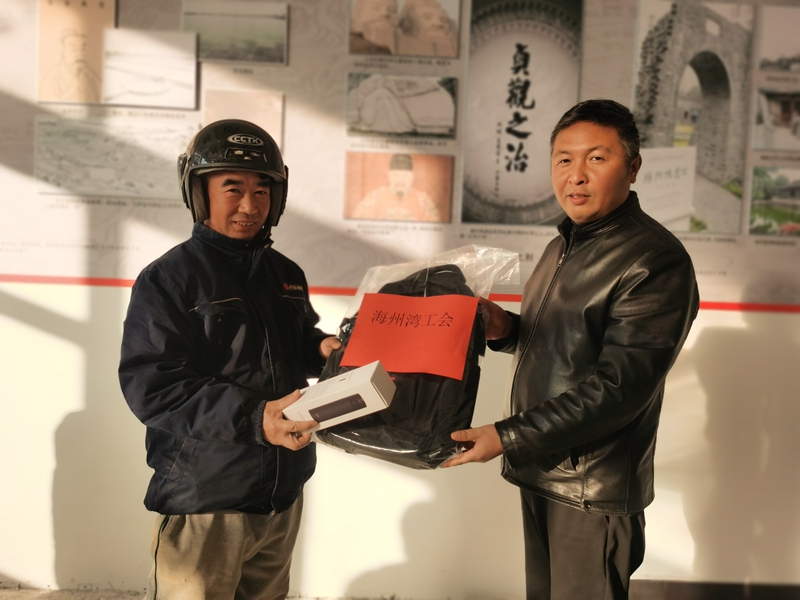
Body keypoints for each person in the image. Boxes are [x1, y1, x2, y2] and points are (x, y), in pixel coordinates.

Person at [442, 99, 699, 600]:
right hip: (544, 468)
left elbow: (619, 389)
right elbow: (564, 345)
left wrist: (507, 435)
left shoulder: (655, 260)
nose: (575, 175)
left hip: (590, 489)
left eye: (596, 158)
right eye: (564, 159)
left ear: (633, 167)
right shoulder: (563, 244)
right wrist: (505, 328)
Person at [119, 119, 341, 600]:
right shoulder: (169, 279)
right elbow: (153, 388)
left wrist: (322, 349)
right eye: (233, 188)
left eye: (262, 190)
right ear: (199, 193)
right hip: (207, 498)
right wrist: (257, 418)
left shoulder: (285, 274)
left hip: (282, 493)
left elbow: (293, 343)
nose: (249, 205)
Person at [351, 153, 443, 222]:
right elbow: (358, 222)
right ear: (389, 176)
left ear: (412, 177)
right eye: (395, 175)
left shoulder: (423, 200)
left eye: (405, 176)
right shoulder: (375, 196)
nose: (400, 180)